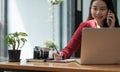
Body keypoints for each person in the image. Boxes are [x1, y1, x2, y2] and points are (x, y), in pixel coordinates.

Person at [54, 0, 120, 60]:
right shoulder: (85, 26)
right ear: (90, 9)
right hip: (90, 66)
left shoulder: (116, 29)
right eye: (94, 8)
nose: (98, 12)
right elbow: (70, 48)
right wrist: (62, 54)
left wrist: (112, 29)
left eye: (102, 9)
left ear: (109, 11)